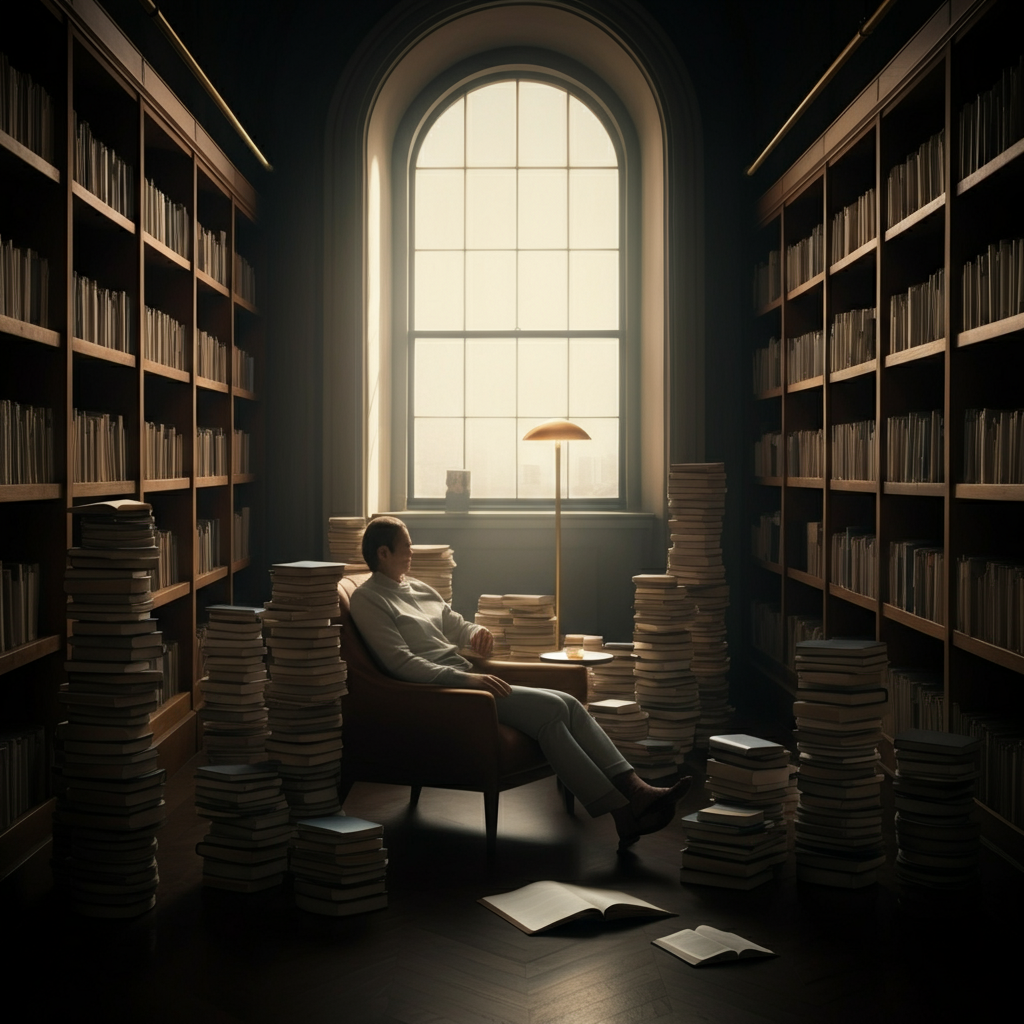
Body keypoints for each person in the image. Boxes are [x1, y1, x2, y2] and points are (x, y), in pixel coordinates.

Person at [348, 516, 691, 849]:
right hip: (444, 693)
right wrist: (468, 679)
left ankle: (630, 800)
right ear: (383, 553)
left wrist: (476, 632)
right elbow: (401, 665)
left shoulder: (419, 588)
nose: (412, 551)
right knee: (555, 708)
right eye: (406, 546)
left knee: (565, 706)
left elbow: (455, 624)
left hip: (464, 679)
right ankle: (629, 803)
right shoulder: (369, 599)